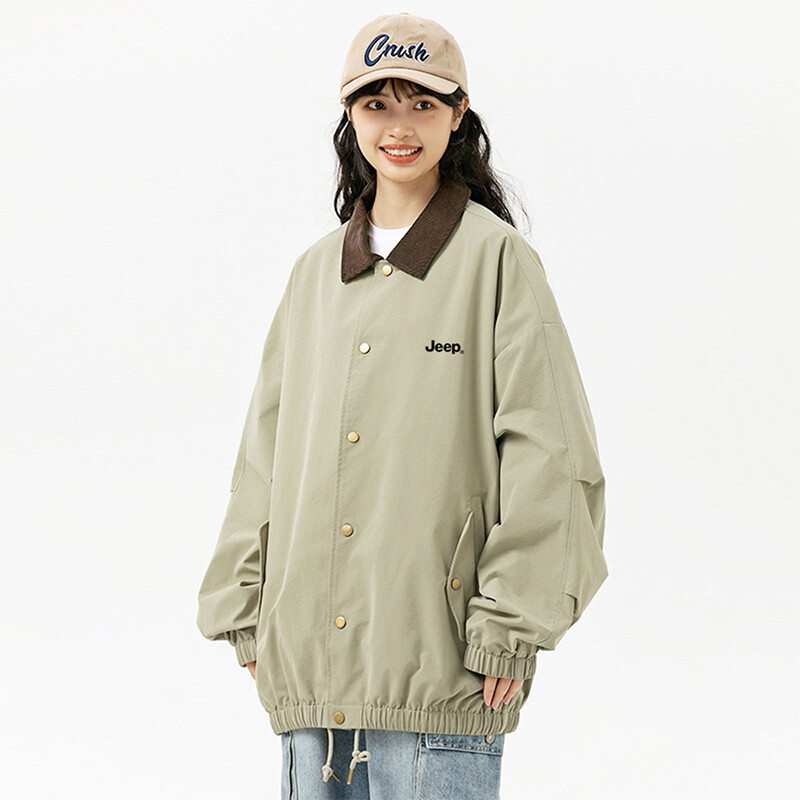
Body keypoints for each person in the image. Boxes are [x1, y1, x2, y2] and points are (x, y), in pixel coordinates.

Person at [196, 12, 609, 800]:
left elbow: (552, 457)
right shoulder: (314, 275)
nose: (399, 126)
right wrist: (244, 607)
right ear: (350, 117)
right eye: (377, 103)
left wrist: (512, 624)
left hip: (442, 677)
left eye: (422, 103)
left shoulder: (496, 260)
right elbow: (264, 454)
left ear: (459, 115)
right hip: (310, 685)